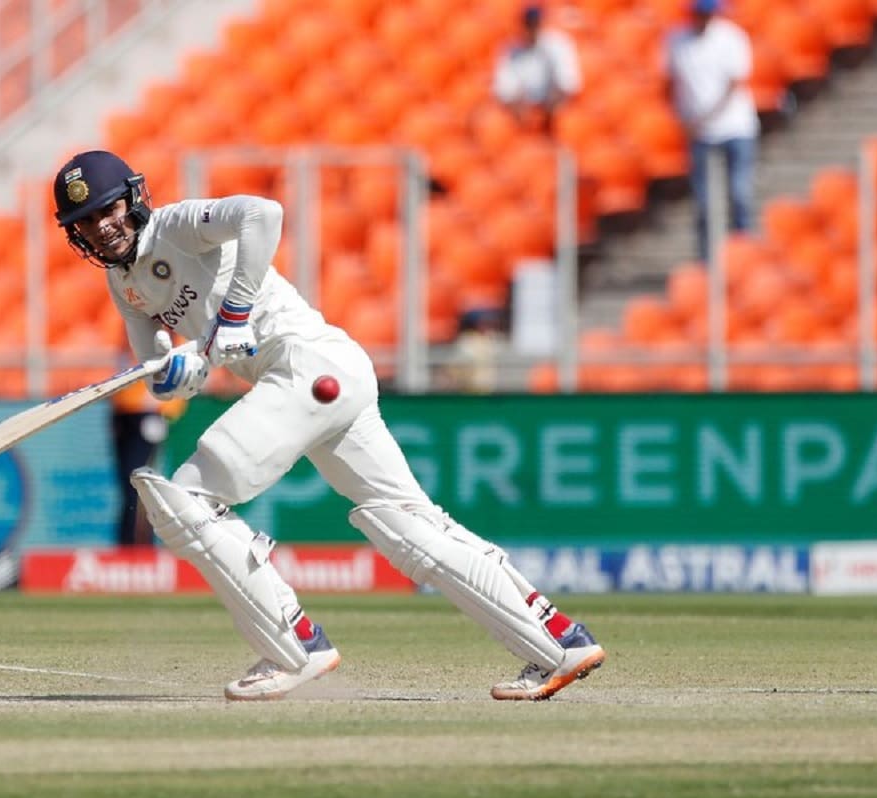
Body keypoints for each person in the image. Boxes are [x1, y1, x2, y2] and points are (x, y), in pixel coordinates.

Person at [51, 149, 606, 701]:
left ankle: (295, 647)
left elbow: (262, 213)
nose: (101, 228)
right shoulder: (123, 285)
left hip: (307, 366)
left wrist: (237, 313)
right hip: (325, 375)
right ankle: (559, 643)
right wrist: (180, 372)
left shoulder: (174, 225)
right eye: (86, 223)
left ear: (134, 198)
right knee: (408, 527)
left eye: (108, 210)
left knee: (188, 500)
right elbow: (160, 371)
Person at [665, 0, 760, 261]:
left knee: (739, 194)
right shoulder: (675, 39)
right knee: (703, 200)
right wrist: (681, 118)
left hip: (735, 126)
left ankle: (744, 256)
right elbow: (670, 82)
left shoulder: (731, 37)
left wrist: (704, 117)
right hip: (699, 132)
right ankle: (706, 261)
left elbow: (734, 84)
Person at [109, 380, 184, 546]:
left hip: (149, 411)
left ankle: (141, 544)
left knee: (141, 484)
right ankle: (128, 543)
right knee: (128, 485)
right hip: (123, 410)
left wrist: (167, 407)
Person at [491, 3, 582, 132]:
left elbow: (567, 85)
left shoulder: (558, 44)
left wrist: (548, 109)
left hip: (554, 109)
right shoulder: (510, 50)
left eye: (536, 23)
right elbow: (504, 90)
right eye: (529, 23)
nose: (533, 28)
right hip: (523, 111)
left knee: (569, 120)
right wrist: (520, 108)